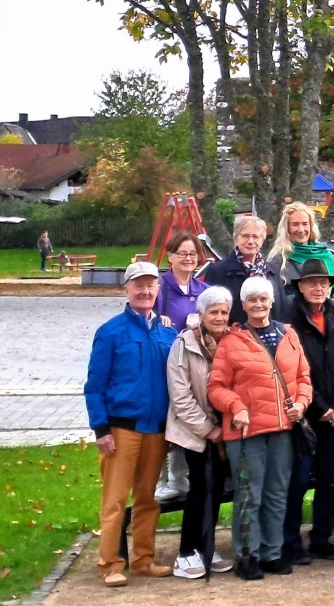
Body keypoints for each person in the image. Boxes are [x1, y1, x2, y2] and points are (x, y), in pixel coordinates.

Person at [207, 276, 312, 581]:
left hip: (282, 428)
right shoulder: (231, 342)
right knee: (248, 494)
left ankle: (272, 551)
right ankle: (247, 555)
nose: (258, 305)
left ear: (271, 302)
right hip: (246, 431)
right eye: (252, 300)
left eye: (263, 299)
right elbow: (216, 387)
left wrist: (302, 405)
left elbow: (304, 377)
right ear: (243, 306)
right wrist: (236, 406)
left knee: (277, 492)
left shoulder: (289, 335)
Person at [84, 262, 178, 588]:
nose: (145, 291)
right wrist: (101, 429)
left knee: (148, 500)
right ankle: (110, 563)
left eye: (151, 285)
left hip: (157, 430)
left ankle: (143, 560)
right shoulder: (110, 332)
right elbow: (94, 385)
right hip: (121, 431)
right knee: (114, 501)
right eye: (138, 285)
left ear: (158, 290)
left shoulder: (168, 332)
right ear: (126, 289)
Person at [280, 259, 334, 564]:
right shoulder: (289, 320)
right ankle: (290, 542)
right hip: (302, 413)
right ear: (300, 287)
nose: (318, 288)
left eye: (323, 282)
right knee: (297, 481)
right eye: (312, 283)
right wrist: (319, 406)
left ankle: (322, 537)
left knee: (328, 478)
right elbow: (292, 370)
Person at [165, 286, 236, 578]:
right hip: (194, 431)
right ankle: (185, 552)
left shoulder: (233, 340)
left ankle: (206, 545)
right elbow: (180, 396)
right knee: (200, 488)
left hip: (226, 429)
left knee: (216, 489)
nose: (219, 317)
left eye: (223, 312)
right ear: (201, 314)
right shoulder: (185, 344)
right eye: (213, 312)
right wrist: (208, 429)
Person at [154, 230, 211, 501]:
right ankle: (161, 480)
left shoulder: (203, 289)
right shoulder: (160, 287)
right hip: (166, 364)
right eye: (182, 254)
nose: (188, 259)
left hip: (196, 366)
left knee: (188, 418)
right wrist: (158, 320)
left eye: (192, 254)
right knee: (167, 420)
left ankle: (179, 477)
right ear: (170, 256)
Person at [204, 215, 286, 326]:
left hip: (270, 336)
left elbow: (281, 309)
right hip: (234, 336)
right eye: (245, 236)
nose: (250, 241)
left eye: (256, 237)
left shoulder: (272, 271)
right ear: (236, 238)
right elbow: (210, 308)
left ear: (262, 241)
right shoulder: (218, 271)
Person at [265, 203, 334, 301]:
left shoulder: (326, 255)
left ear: (311, 226)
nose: (301, 230)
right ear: (286, 228)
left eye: (305, 224)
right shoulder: (279, 259)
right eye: (295, 224)